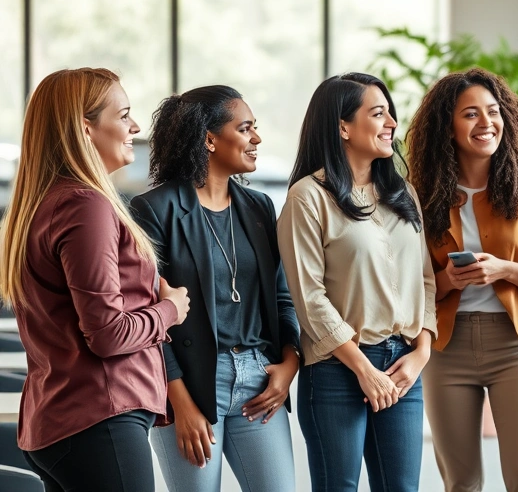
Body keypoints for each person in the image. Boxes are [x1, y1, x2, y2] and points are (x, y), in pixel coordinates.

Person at [0, 68, 189, 491]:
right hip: (99, 419)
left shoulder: (45, 203)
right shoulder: (86, 206)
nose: (135, 128)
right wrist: (170, 310)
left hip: (62, 420)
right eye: (123, 115)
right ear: (86, 129)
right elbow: (107, 334)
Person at [406, 68, 518, 492]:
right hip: (446, 348)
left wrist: (504, 269)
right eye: (470, 114)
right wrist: (448, 280)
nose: (486, 123)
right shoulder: (419, 193)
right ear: (447, 126)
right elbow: (408, 284)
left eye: (493, 111)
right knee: (460, 482)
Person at [130, 85, 301, 492]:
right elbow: (147, 316)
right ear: (209, 139)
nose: (257, 138)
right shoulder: (154, 209)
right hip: (189, 382)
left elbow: (282, 297)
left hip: (259, 378)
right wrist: (179, 403)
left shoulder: (259, 207)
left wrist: (290, 363)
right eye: (245, 128)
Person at [278, 73, 435, 492]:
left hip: (403, 364)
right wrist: (364, 368)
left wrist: (421, 353)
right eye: (378, 113)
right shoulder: (307, 198)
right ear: (343, 127)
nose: (392, 123)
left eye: (390, 113)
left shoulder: (403, 192)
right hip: (337, 368)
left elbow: (424, 280)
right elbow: (309, 297)